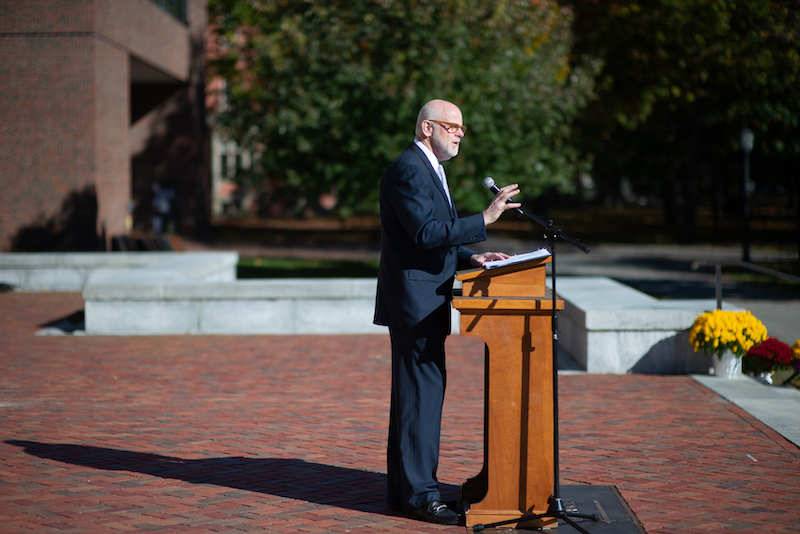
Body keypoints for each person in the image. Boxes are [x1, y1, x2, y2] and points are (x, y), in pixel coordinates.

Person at [373, 99, 521, 525]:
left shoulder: (429, 169)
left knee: (416, 398)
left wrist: (471, 258)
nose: (459, 133)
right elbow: (423, 233)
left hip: (425, 301)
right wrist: (485, 218)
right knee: (420, 397)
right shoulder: (409, 169)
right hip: (414, 305)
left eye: (462, 127)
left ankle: (407, 492)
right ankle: (421, 497)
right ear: (425, 128)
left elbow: (435, 237)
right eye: (451, 126)